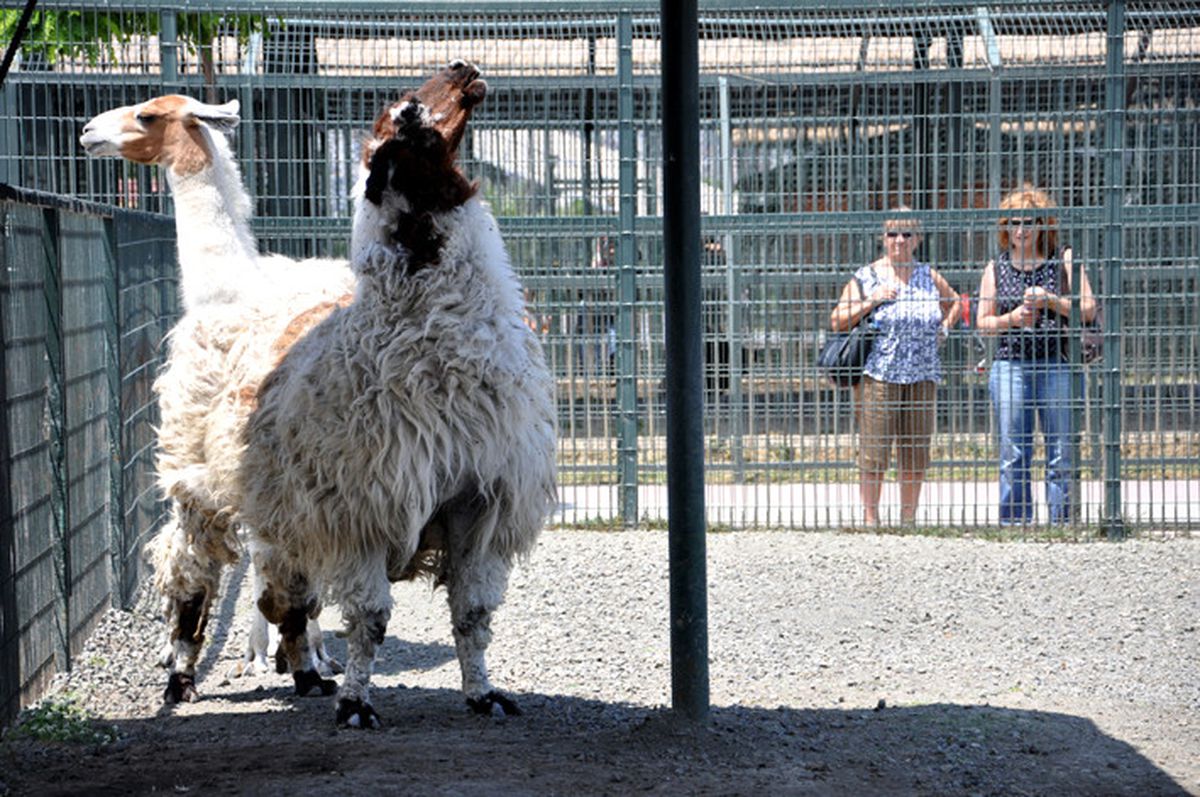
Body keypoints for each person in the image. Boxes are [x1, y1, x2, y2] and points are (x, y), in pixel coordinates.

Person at [830, 208, 961, 525]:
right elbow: (837, 321)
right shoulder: (866, 276)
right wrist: (872, 300)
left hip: (923, 375)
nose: (899, 240)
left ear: (918, 239)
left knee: (915, 450)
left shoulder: (928, 275)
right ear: (882, 238)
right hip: (879, 375)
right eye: (892, 234)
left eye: (907, 234)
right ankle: (871, 518)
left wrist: (944, 327)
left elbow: (956, 301)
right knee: (874, 450)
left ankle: (908, 519)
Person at [976, 186, 1097, 524]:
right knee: (1014, 450)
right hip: (1010, 364)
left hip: (1056, 363)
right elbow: (984, 323)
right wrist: (1011, 319)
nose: (1022, 229)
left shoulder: (1064, 258)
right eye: (1014, 222)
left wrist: (1051, 301)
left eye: (1030, 222)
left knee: (1061, 448)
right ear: (1004, 226)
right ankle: (1015, 523)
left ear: (1044, 224)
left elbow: (1087, 309)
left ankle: (1063, 522)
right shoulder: (995, 268)